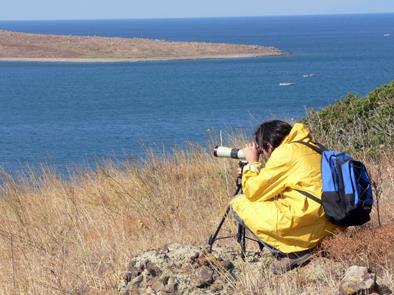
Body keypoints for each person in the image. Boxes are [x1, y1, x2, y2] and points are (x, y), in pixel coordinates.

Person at [230, 120, 337, 274]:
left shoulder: (286, 152)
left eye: (262, 151)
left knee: (239, 203)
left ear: (269, 146)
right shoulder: (310, 146)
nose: (264, 157)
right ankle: (304, 246)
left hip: (311, 224)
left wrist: (253, 164)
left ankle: (294, 252)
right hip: (329, 223)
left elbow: (253, 192)